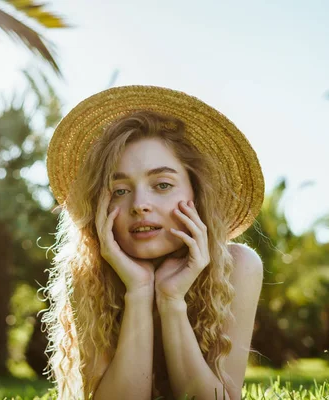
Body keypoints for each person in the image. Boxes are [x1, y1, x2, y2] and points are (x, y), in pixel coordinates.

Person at [42, 86, 265, 400]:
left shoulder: (239, 266)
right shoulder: (86, 271)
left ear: (196, 195)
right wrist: (139, 291)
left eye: (162, 184)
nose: (139, 204)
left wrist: (171, 301)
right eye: (120, 190)